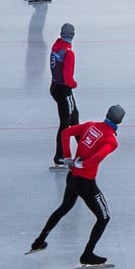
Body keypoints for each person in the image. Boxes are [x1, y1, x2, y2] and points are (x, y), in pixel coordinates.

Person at [30, 104, 124, 267]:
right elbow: (97, 158)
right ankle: (87, 254)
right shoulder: (111, 140)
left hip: (72, 177)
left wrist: (67, 157)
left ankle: (39, 241)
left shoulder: (90, 125)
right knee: (104, 218)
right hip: (86, 182)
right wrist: (83, 165)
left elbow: (66, 132)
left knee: (63, 208)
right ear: (120, 121)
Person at [49, 22, 79, 168]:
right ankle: (60, 156)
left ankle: (82, 149)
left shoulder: (56, 46)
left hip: (55, 87)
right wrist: (74, 83)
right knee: (66, 123)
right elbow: (68, 78)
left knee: (74, 117)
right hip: (64, 89)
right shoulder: (68, 53)